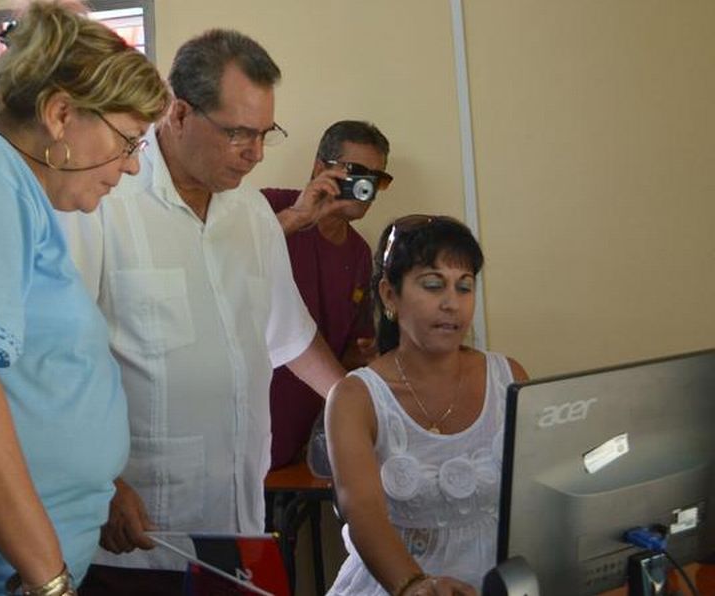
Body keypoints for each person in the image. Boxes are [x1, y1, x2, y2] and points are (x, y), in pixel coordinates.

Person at [59, 29, 345, 595]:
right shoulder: (105, 204)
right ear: (179, 112)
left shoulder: (254, 218)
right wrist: (101, 483)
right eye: (238, 132)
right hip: (135, 542)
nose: (256, 153)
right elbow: (58, 365)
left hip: (237, 534)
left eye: (265, 134)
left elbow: (290, 340)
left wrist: (369, 408)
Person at [0, 2, 170, 594]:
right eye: (129, 142)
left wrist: (98, 483)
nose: (132, 168)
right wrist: (49, 578)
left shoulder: (16, 193)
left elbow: (34, 381)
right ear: (61, 114)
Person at [325, 215, 529, 596]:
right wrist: (415, 585)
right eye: (434, 285)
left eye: (464, 287)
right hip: (394, 585)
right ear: (389, 295)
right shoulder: (355, 397)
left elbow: (539, 494)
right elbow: (363, 511)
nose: (452, 304)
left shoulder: (508, 376)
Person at [262, 120, 393, 470]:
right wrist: (298, 217)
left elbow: (347, 352)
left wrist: (370, 355)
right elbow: (224, 259)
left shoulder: (361, 254)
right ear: (321, 168)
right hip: (249, 427)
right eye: (356, 172)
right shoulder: (270, 206)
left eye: (377, 178)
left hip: (307, 434)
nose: (367, 186)